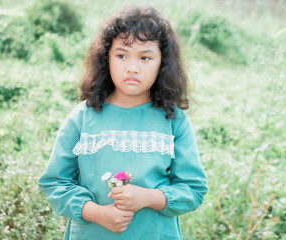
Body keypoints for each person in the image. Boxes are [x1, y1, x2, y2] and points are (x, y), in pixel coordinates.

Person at [38, 5, 208, 240]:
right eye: (121, 55)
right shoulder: (83, 117)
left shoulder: (174, 121)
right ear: (106, 59)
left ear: (162, 63)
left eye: (145, 57)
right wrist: (96, 213)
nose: (132, 68)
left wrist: (148, 197)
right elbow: (55, 182)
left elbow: (193, 190)